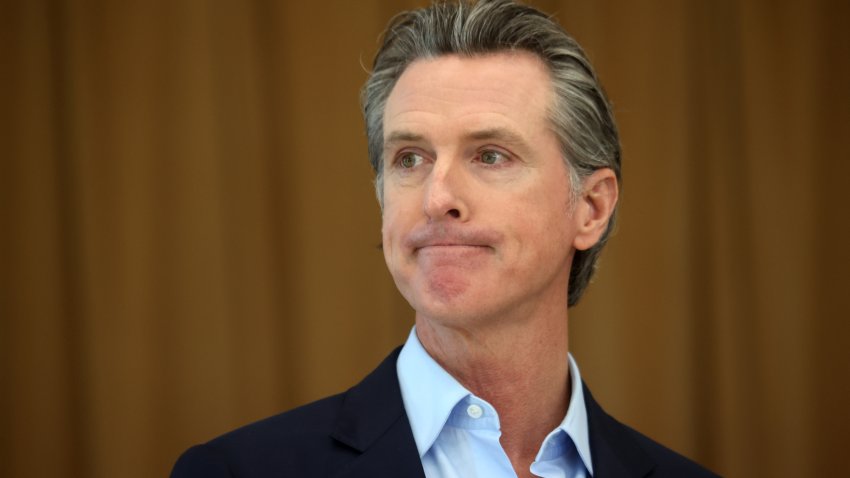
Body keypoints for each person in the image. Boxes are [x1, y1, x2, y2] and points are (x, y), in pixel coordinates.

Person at [171, 1, 717, 476]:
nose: (436, 198)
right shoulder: (237, 471)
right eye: (410, 158)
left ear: (591, 208)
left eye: (490, 155)